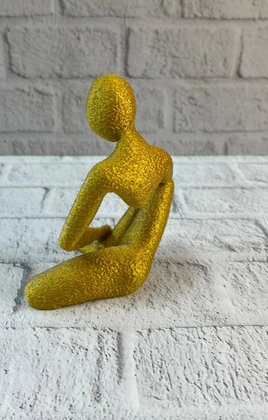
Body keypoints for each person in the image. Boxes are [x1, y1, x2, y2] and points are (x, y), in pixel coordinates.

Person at [24, 74, 174, 310]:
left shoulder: (104, 173)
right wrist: (112, 238)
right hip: (135, 255)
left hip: (126, 269)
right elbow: (154, 201)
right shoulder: (161, 158)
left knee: (35, 293)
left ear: (95, 119)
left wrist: (101, 232)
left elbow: (69, 241)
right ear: (131, 109)